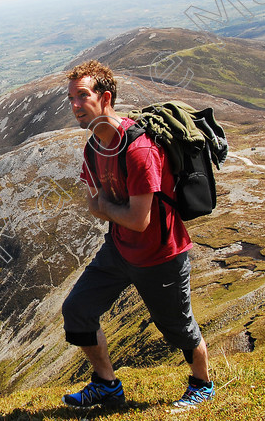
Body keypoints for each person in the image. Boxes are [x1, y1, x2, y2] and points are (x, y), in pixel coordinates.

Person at [61, 60, 214, 409]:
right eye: (70, 98)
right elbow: (99, 202)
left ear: (106, 98)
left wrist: (104, 210)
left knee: (178, 328)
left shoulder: (140, 149)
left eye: (82, 96)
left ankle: (202, 384)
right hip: (118, 249)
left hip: (160, 254)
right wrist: (107, 210)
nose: (74, 106)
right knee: (77, 310)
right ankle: (106, 384)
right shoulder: (93, 147)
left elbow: (138, 219)